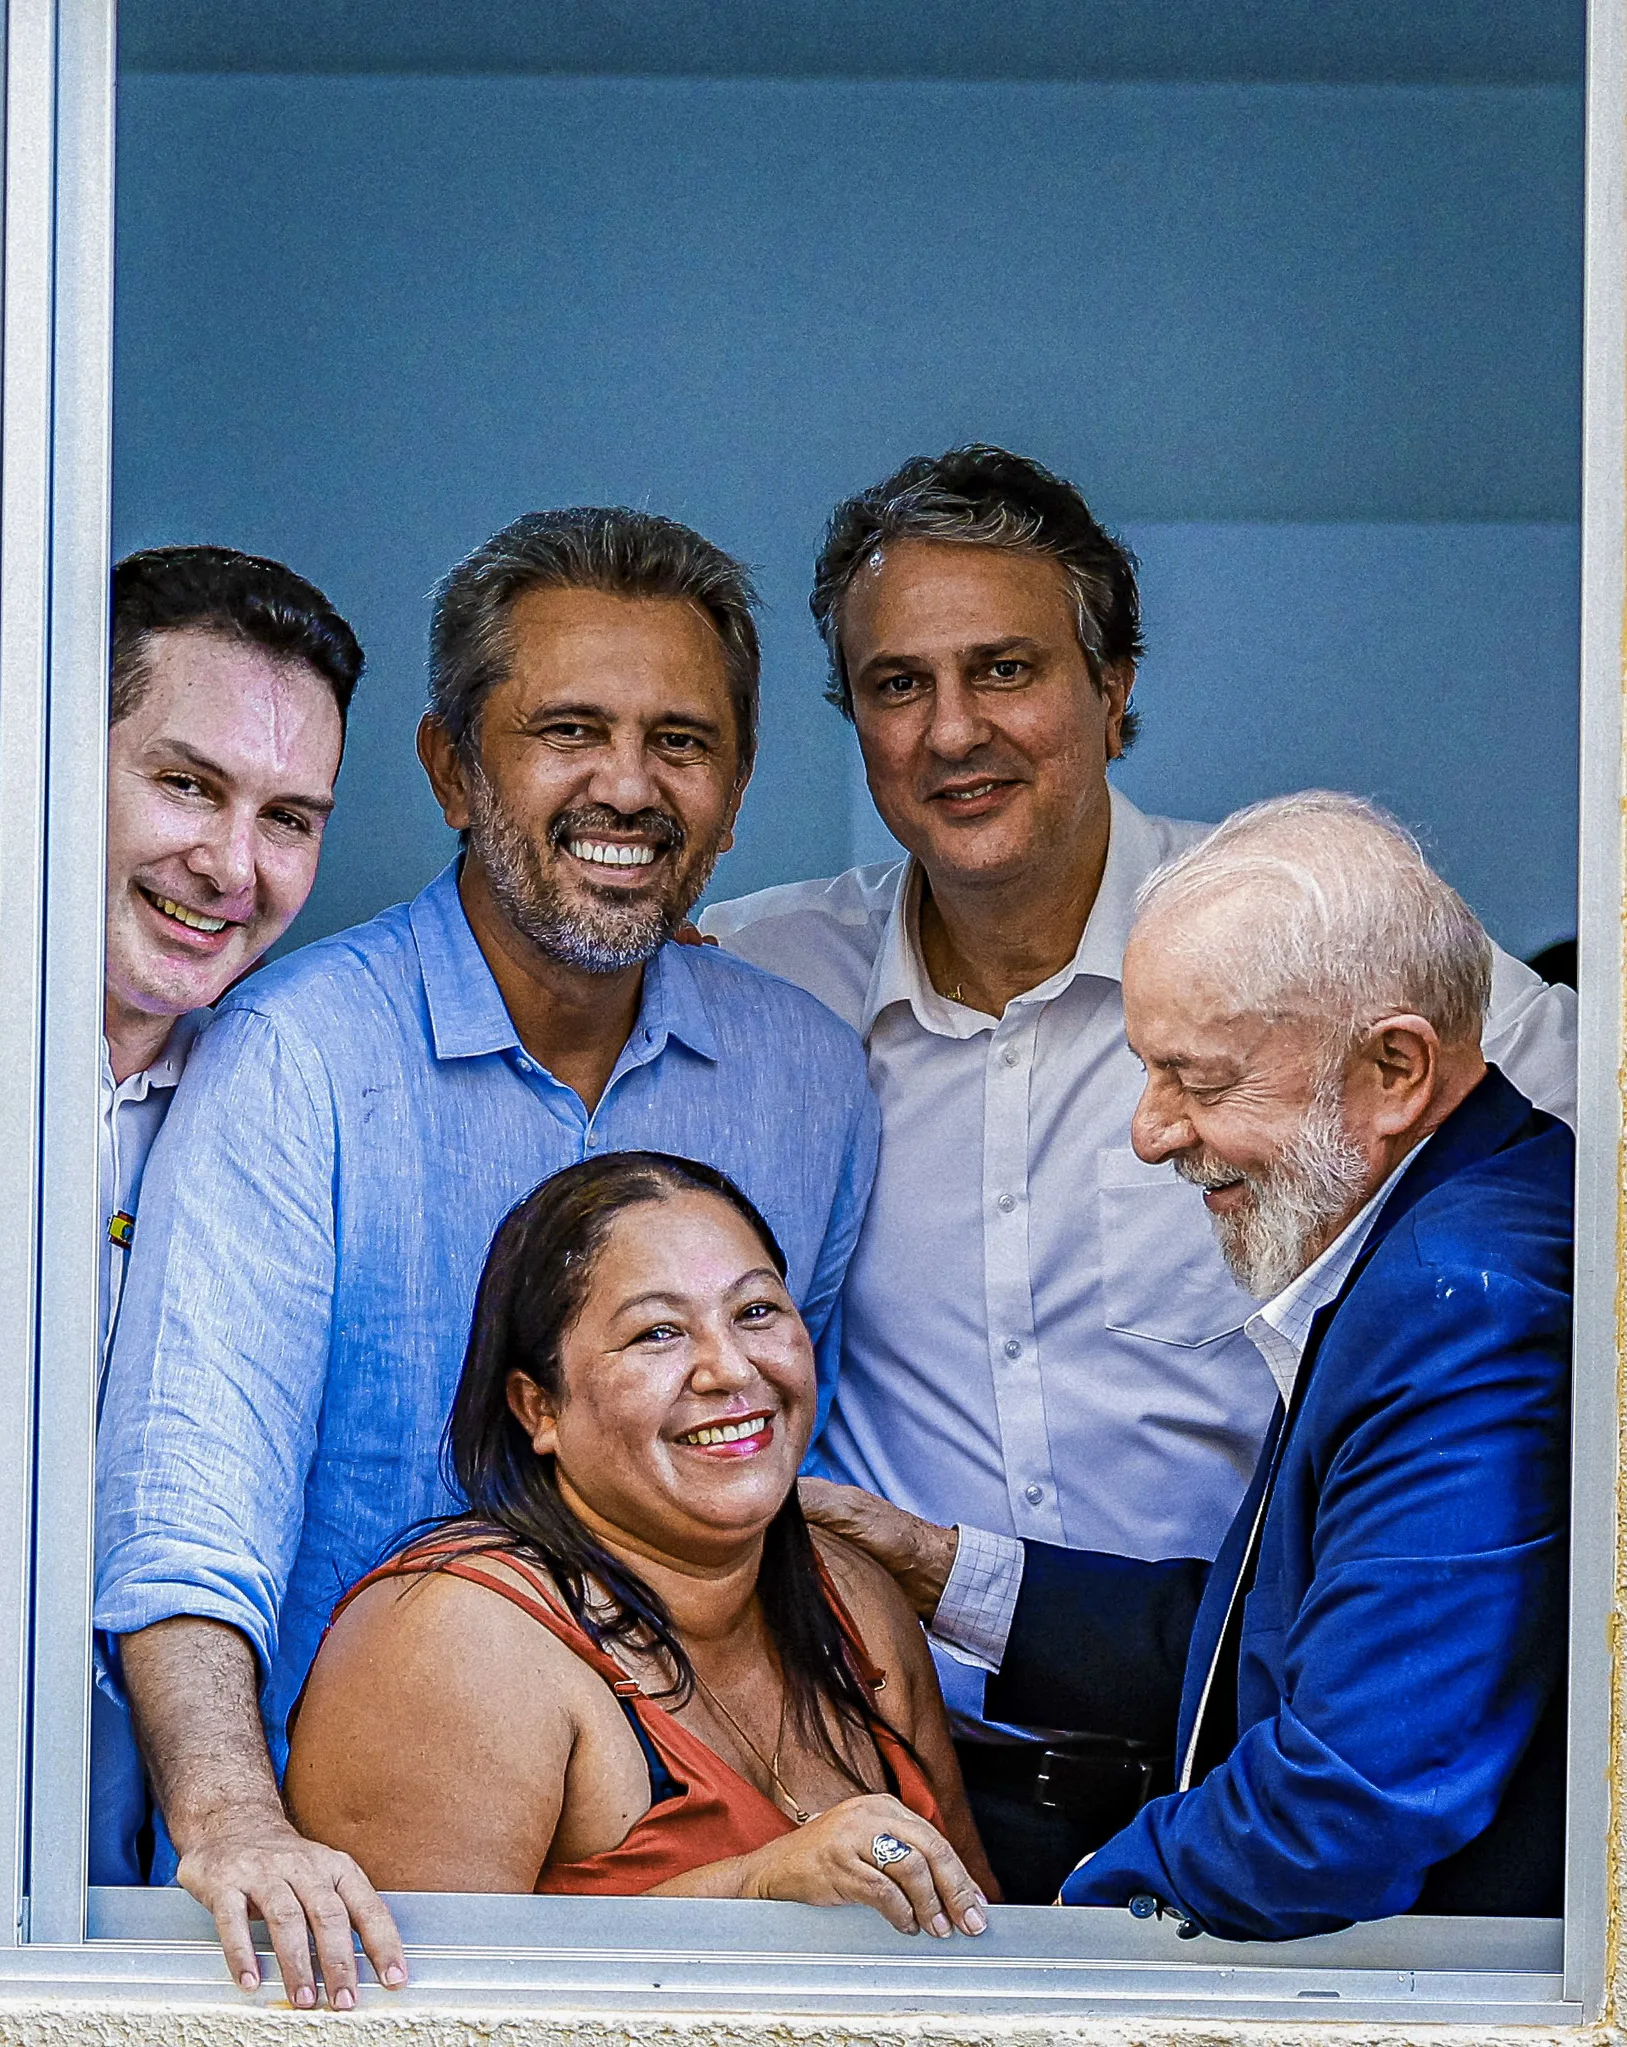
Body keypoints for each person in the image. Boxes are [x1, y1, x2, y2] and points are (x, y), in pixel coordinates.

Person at [697, 445, 1578, 1899]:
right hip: (902, 1786)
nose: (951, 728)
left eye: (1005, 667)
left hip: (1255, 1803)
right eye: (895, 683)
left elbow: (1532, 1151)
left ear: (1111, 691)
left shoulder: (1304, 939)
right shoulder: (754, 981)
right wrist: (924, 1563)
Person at [95, 507, 880, 2009]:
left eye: (682, 740)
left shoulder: (806, 1078)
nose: (627, 786)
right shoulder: (294, 1054)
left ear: (736, 791)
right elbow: (187, 1496)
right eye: (566, 729)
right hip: (347, 1925)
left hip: (724, 1922)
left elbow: (770, 1490)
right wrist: (233, 1822)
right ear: (453, 765)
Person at [830, 793, 1571, 1938]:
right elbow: (1271, 1638)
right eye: (1145, 1069)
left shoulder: (1457, 1297)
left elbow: (1346, 1802)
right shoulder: (1409, 1226)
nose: (1151, 1131)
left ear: (1395, 1068)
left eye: (1205, 1081)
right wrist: (938, 1567)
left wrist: (1058, 1927)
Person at [0, 543, 362, 1890]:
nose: (230, 863)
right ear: (53, 756)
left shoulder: (273, 1085)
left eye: (289, 816)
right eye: (184, 782)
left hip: (104, 1909)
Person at [287, 1151, 996, 1931]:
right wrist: (751, 1891)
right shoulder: (452, 1641)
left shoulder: (854, 1597)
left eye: (756, 1311)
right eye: (658, 1332)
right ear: (537, 1408)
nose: (729, 1368)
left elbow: (983, 1941)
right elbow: (419, 2014)